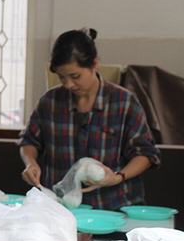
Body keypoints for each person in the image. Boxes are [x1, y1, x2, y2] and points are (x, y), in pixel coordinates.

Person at [19, 28, 160, 209]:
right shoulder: (50, 102)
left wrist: (118, 177)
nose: (68, 84)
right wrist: (30, 163)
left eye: (75, 76)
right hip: (62, 208)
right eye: (62, 77)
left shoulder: (124, 102)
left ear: (94, 64)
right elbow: (29, 141)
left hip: (114, 206)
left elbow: (146, 154)